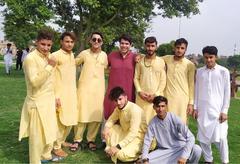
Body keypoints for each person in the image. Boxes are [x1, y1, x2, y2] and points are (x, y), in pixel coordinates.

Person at [18, 29, 60, 163]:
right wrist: (49, 67)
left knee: (49, 132)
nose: (46, 48)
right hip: (36, 103)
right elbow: (34, 82)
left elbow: (51, 81)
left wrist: (55, 98)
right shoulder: (30, 59)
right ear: (37, 43)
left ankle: (45, 156)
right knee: (37, 137)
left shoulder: (49, 56)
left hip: (48, 101)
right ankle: (35, 161)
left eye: (49, 45)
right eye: (43, 44)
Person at [70, 32, 108, 151]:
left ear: (102, 42)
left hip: (99, 90)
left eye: (99, 40)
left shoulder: (104, 55)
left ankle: (91, 139)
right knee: (82, 114)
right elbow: (73, 63)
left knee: (96, 115)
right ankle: (77, 140)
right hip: (84, 89)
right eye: (94, 39)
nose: (96, 41)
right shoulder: (84, 53)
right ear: (90, 41)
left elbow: (106, 69)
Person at [193, 46, 230, 164]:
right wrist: (195, 108)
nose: (208, 60)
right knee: (203, 138)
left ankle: (225, 161)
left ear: (216, 57)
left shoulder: (223, 71)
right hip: (203, 110)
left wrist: (225, 110)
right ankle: (208, 160)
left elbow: (227, 92)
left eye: (211, 57)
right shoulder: (199, 72)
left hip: (218, 111)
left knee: (222, 138)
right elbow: (196, 90)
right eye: (206, 57)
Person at [140, 96, 202, 164]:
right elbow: (147, 141)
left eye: (163, 106)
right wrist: (145, 159)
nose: (160, 109)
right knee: (143, 161)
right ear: (154, 107)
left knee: (197, 149)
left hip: (180, 148)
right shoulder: (152, 123)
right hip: (164, 151)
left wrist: (184, 156)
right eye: (158, 106)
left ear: (166, 106)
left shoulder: (174, 118)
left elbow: (191, 137)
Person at [50, 32, 78, 157]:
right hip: (59, 94)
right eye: (67, 41)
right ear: (61, 41)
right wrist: (56, 96)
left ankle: (61, 141)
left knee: (70, 119)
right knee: (60, 121)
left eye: (72, 42)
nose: (69, 44)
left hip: (71, 93)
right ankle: (56, 147)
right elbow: (50, 77)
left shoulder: (72, 55)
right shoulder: (54, 56)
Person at [102, 86, 147, 163]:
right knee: (109, 129)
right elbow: (111, 120)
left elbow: (133, 133)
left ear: (126, 97)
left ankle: (139, 155)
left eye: (120, 99)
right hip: (125, 133)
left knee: (121, 154)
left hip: (138, 137)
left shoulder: (134, 110)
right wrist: (106, 129)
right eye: (116, 100)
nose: (118, 103)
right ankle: (111, 150)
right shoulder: (118, 108)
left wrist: (118, 147)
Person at [104, 34, 136, 120]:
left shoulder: (135, 57)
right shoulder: (112, 55)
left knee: (126, 118)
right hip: (113, 93)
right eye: (122, 43)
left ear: (130, 45)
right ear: (119, 44)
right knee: (110, 118)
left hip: (128, 93)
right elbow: (102, 67)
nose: (124, 46)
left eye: (126, 44)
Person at [162, 38, 195, 124]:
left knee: (181, 126)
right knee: (167, 125)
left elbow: (191, 85)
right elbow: (153, 58)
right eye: (177, 47)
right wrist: (139, 56)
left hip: (182, 100)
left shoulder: (190, 65)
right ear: (174, 48)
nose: (179, 50)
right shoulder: (166, 59)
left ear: (185, 50)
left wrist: (191, 103)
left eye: (182, 48)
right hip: (168, 98)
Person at [134, 36, 166, 124]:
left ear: (156, 46)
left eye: (152, 46)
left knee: (155, 122)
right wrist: (139, 91)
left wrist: (156, 94)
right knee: (141, 121)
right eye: (148, 46)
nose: (150, 48)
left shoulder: (161, 61)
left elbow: (163, 80)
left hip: (156, 98)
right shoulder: (140, 61)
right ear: (145, 46)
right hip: (142, 97)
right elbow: (136, 78)